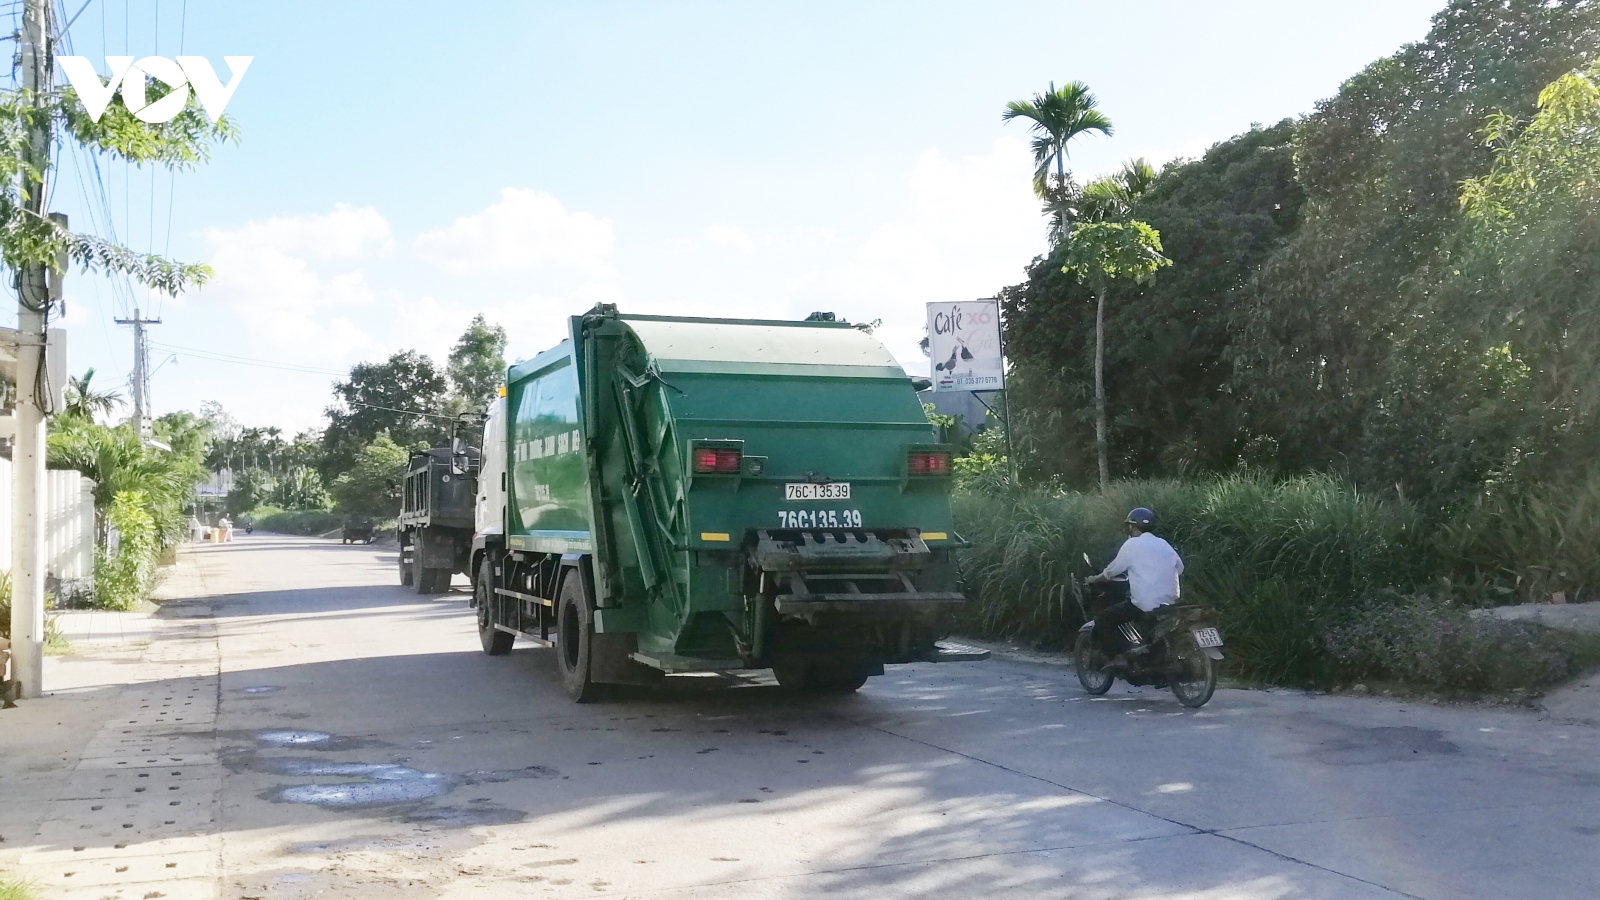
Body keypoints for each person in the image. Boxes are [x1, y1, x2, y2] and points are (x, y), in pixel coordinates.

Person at [1086, 508, 1184, 663]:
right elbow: (1179, 568)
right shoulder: (1164, 544)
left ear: (1133, 527)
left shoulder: (1132, 544)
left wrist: (1095, 579)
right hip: (1170, 601)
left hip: (1145, 603)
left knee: (1104, 618)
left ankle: (1116, 657)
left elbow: (1113, 570)